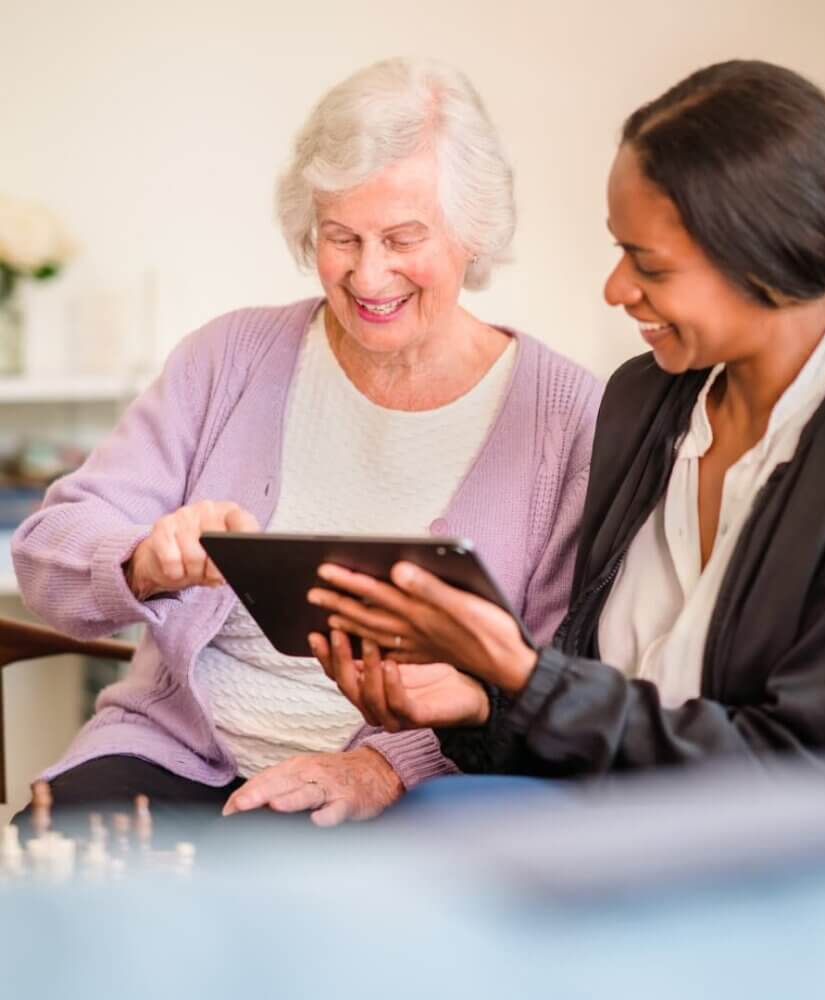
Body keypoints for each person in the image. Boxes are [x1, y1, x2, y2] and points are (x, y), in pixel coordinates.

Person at [309, 59, 825, 777]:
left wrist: (526, 677)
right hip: (615, 827)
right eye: (619, 250)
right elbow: (601, 723)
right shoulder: (644, 401)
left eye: (650, 265)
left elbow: (809, 776)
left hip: (779, 867)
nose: (616, 289)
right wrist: (481, 702)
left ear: (776, 263)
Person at [10, 57, 601, 823]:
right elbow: (46, 551)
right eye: (340, 237)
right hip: (175, 754)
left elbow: (555, 673)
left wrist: (381, 765)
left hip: (403, 795)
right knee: (47, 893)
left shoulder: (566, 417)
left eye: (402, 237)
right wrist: (144, 558)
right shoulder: (228, 358)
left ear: (472, 232)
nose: (369, 274)